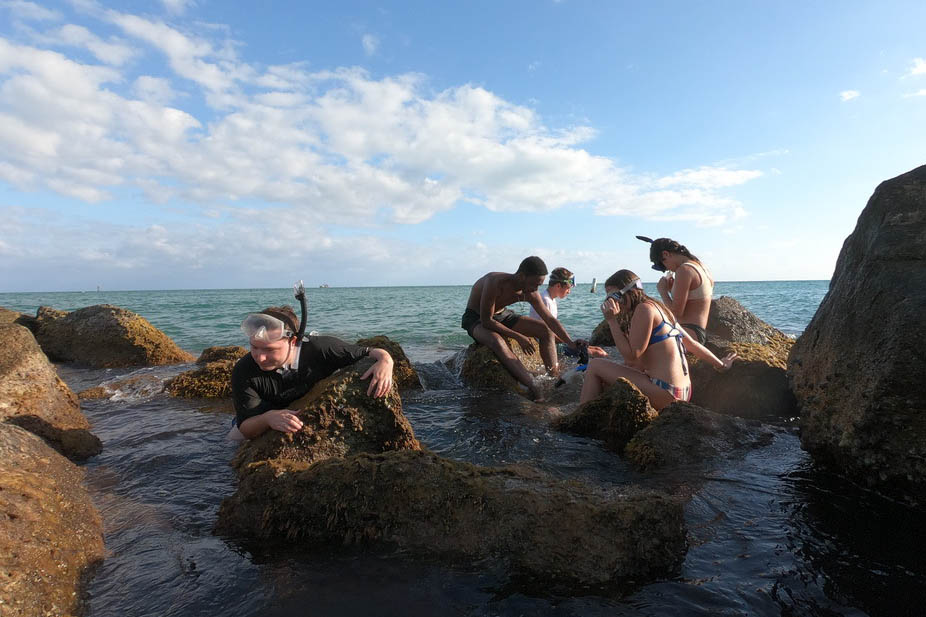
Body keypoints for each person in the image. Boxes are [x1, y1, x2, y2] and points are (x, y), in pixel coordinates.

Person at [229, 305, 394, 440]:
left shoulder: (322, 348)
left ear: (293, 341)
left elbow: (369, 351)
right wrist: (268, 418)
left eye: (269, 350)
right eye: (254, 347)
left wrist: (386, 361)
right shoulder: (244, 370)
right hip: (262, 413)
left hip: (304, 405)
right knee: (231, 443)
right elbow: (245, 427)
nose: (260, 357)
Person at [579, 269, 735, 411]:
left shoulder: (643, 310)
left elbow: (632, 357)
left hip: (666, 392)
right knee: (618, 371)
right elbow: (692, 344)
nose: (612, 303)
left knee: (595, 365)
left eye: (613, 296)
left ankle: (581, 420)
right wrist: (721, 365)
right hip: (684, 392)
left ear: (628, 291)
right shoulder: (660, 308)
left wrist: (612, 321)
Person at [461, 256, 587, 401]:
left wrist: (570, 343)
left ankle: (554, 378)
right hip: (476, 318)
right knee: (497, 341)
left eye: (539, 285)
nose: (536, 289)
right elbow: (487, 321)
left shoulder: (531, 292)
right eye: (534, 284)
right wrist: (517, 336)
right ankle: (533, 385)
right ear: (521, 276)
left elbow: (550, 320)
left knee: (545, 330)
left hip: (502, 314)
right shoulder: (494, 282)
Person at [639, 236, 714, 344]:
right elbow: (693, 301)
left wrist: (663, 291)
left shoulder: (684, 270)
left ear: (666, 254)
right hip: (696, 332)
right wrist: (672, 290)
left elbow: (676, 313)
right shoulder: (700, 266)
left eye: (663, 264)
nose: (667, 269)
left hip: (689, 333)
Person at [528, 267, 607, 358]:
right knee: (599, 353)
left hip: (554, 341)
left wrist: (571, 342)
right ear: (558, 286)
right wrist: (570, 343)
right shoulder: (546, 301)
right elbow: (546, 332)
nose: (569, 292)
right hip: (546, 343)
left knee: (598, 349)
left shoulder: (550, 299)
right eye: (568, 288)